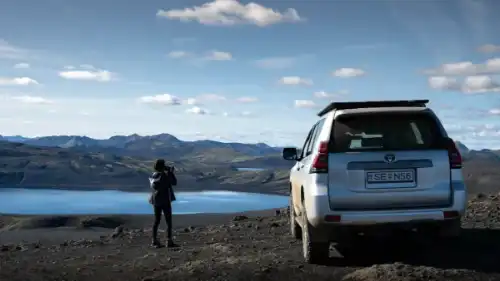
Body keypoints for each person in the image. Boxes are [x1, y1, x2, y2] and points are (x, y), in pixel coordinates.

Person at [149, 159, 178, 248]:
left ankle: (154, 241)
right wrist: (170, 172)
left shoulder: (154, 176)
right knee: (168, 221)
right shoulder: (164, 176)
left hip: (156, 200)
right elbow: (174, 182)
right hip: (165, 200)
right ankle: (169, 241)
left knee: (156, 221)